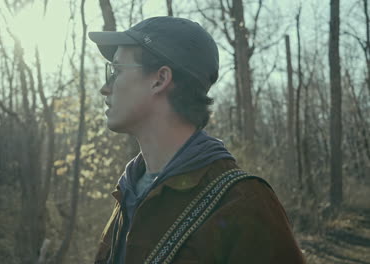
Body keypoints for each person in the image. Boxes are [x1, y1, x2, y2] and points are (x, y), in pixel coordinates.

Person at [88, 16, 305, 264]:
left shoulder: (245, 203)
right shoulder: (128, 194)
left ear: (160, 79)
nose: (105, 87)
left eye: (116, 71)